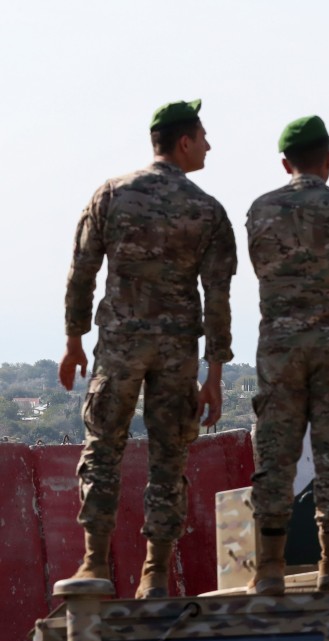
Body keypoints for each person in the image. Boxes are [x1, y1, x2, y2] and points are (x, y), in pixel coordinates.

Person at [59, 99, 236, 598]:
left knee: (102, 448)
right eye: (203, 136)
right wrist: (214, 374)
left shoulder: (112, 194)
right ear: (184, 142)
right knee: (169, 459)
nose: (208, 145)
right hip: (176, 352)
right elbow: (217, 297)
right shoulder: (207, 210)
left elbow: (82, 271)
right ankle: (155, 574)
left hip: (119, 345)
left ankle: (94, 562)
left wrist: (74, 340)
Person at [245, 115, 329, 595]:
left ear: (285, 163)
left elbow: (262, 269)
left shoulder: (261, 210)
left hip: (280, 350)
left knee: (276, 457)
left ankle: (269, 570)